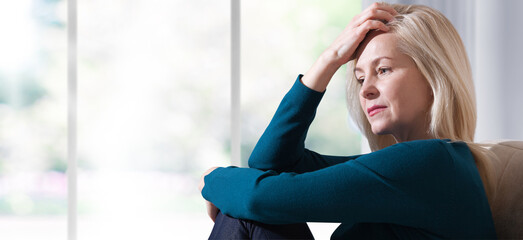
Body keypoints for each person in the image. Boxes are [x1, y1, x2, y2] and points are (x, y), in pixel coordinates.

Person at [199, 2, 498, 239]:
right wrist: (329, 58)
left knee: (244, 207)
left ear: (434, 75)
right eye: (359, 77)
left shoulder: (430, 164)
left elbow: (258, 198)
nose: (365, 89)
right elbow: (269, 163)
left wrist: (212, 177)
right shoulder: (420, 167)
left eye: (383, 70)